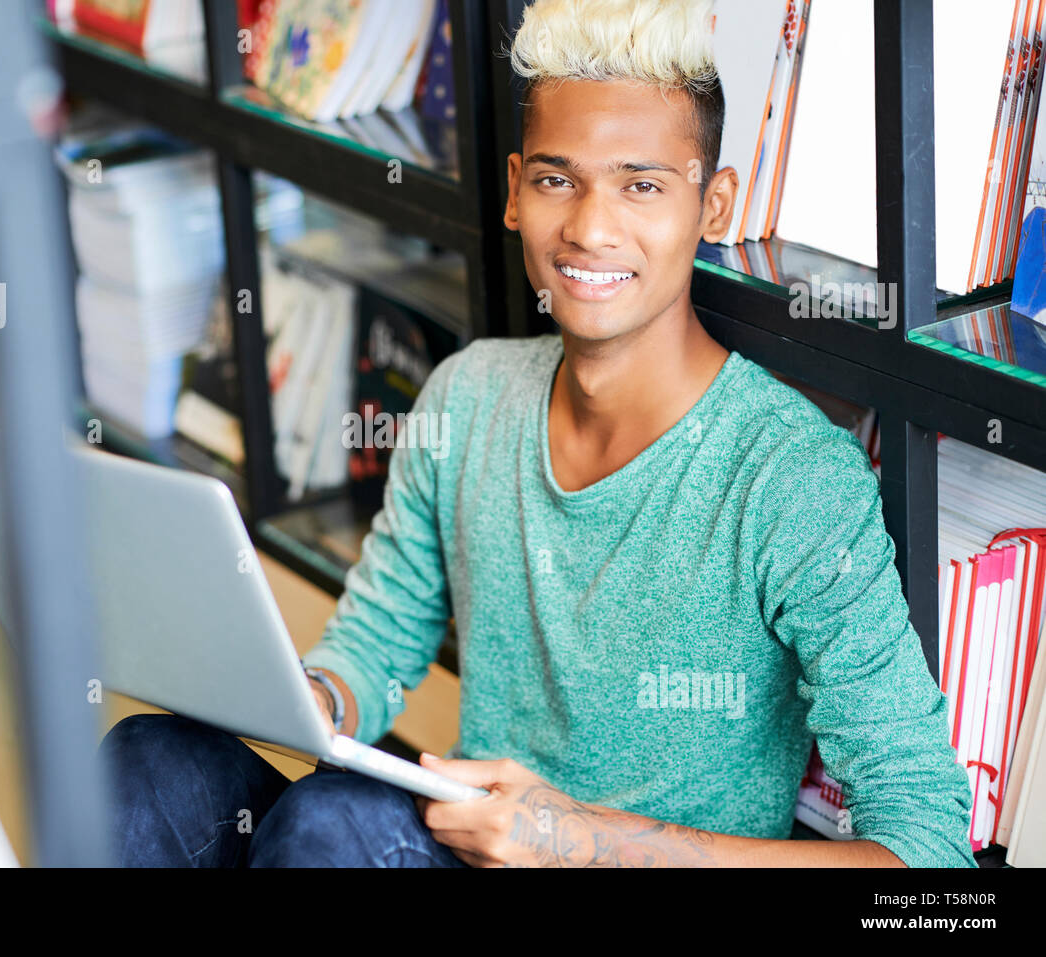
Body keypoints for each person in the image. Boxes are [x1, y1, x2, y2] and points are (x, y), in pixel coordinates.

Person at [99, 0, 977, 867]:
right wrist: (314, 694)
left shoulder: (790, 476)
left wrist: (580, 840)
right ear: (516, 191)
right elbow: (376, 646)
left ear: (714, 206)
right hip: (472, 848)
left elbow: (932, 858)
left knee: (332, 827)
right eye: (559, 179)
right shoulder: (468, 396)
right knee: (148, 760)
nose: (592, 228)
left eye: (642, 184)